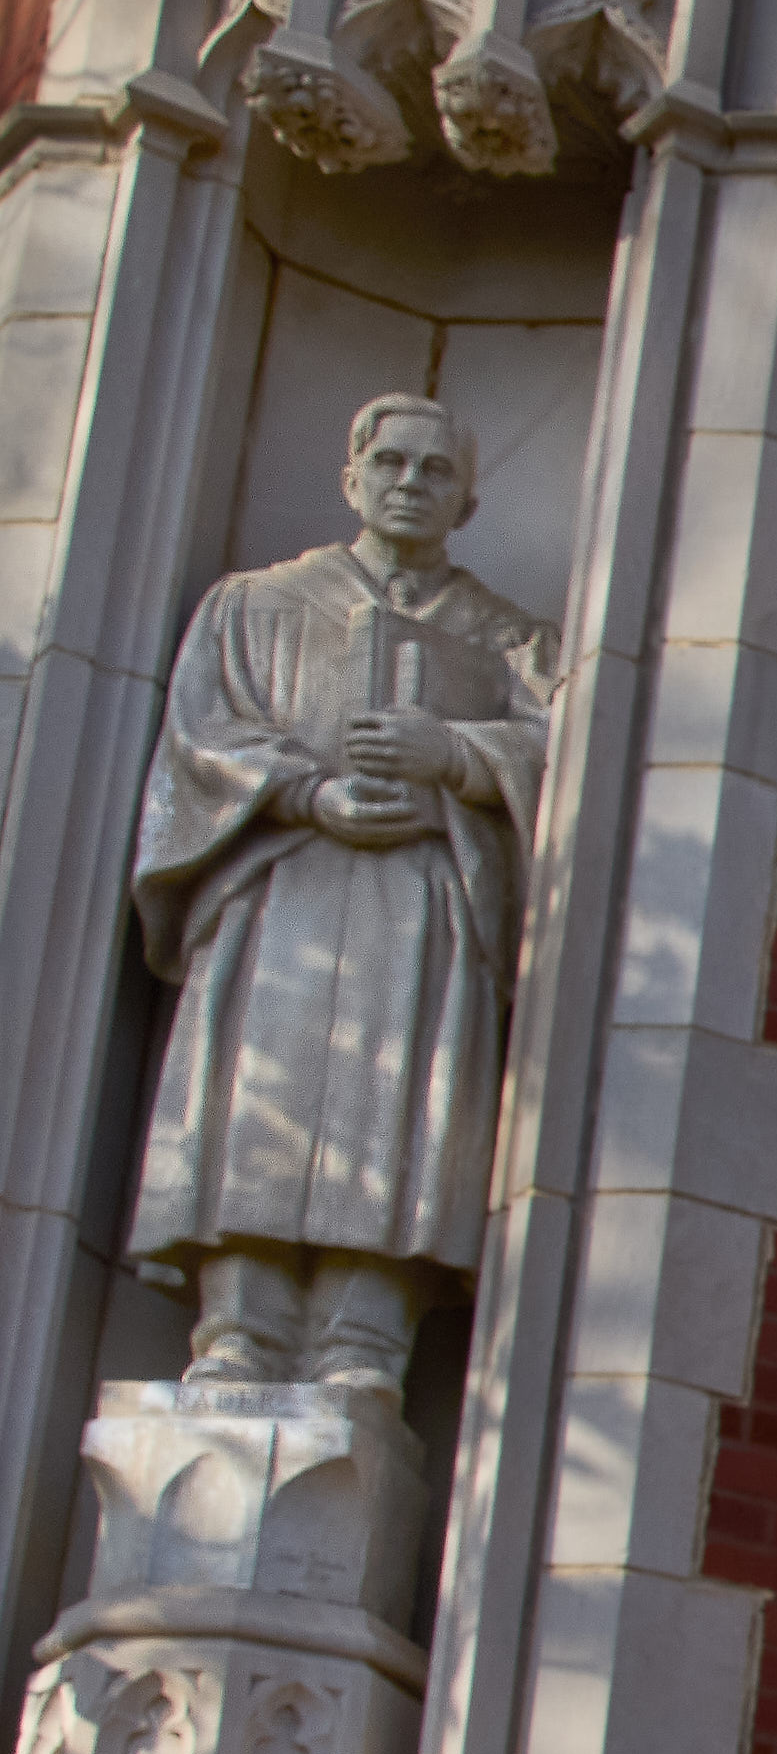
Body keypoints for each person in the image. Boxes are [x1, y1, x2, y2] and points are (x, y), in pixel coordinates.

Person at [127, 393, 558, 1395]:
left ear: (469, 500)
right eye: (393, 463)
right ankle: (240, 1327)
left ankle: (365, 1335)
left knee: (397, 1100)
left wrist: (454, 756)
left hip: (424, 896)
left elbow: (563, 757)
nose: (411, 483)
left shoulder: (508, 640)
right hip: (284, 887)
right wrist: (306, 791)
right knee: (258, 1092)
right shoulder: (253, 604)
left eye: (435, 470)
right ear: (351, 479)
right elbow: (202, 740)